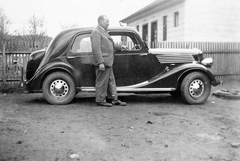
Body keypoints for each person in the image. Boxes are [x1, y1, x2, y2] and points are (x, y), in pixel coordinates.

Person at [91, 15, 127, 107]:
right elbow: (96, 49)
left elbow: (109, 44)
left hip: (108, 62)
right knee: (102, 82)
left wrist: (120, 47)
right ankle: (100, 100)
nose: (108, 23)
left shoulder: (102, 31)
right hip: (103, 62)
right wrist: (100, 62)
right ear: (101, 21)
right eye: (107, 21)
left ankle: (113, 99)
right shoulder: (96, 32)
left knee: (111, 81)